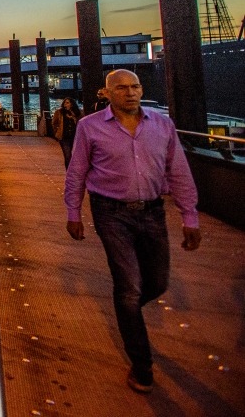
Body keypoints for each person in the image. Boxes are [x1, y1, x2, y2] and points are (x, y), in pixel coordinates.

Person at [63, 69, 201, 394]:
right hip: (110, 212)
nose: (130, 93)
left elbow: (178, 170)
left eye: (135, 86)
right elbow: (77, 170)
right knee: (128, 287)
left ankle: (129, 313)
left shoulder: (162, 125)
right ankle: (142, 367)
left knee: (157, 282)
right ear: (108, 93)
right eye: (122, 88)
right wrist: (73, 211)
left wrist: (189, 215)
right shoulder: (89, 127)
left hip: (152, 211)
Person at [51, 97, 82, 167]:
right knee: (67, 156)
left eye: (68, 103)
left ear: (72, 104)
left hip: (75, 136)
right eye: (65, 103)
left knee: (76, 156)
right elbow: (54, 123)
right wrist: (57, 132)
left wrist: (73, 117)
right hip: (64, 137)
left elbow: (82, 123)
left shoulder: (78, 112)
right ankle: (69, 173)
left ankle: (75, 170)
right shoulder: (59, 112)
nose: (65, 104)